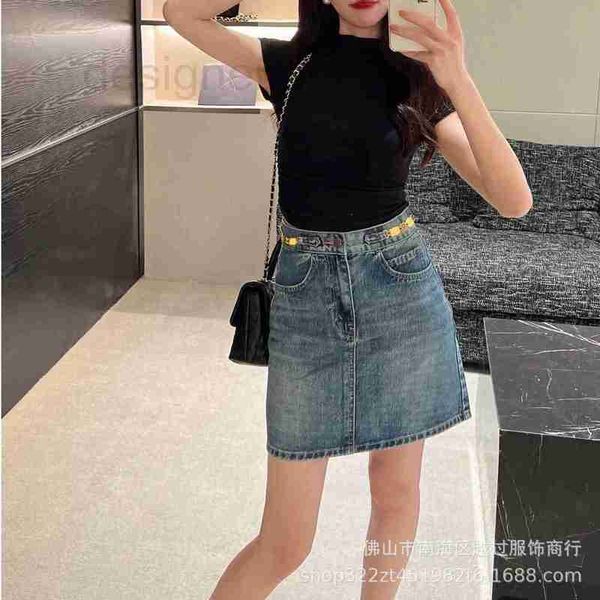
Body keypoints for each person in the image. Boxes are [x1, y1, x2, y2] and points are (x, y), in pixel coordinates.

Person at [163, 1, 533, 598]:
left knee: (396, 495)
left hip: (399, 291)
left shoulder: (415, 78)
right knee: (285, 541)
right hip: (305, 297)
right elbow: (181, 14)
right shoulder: (288, 62)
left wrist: (458, 78)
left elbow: (514, 201)